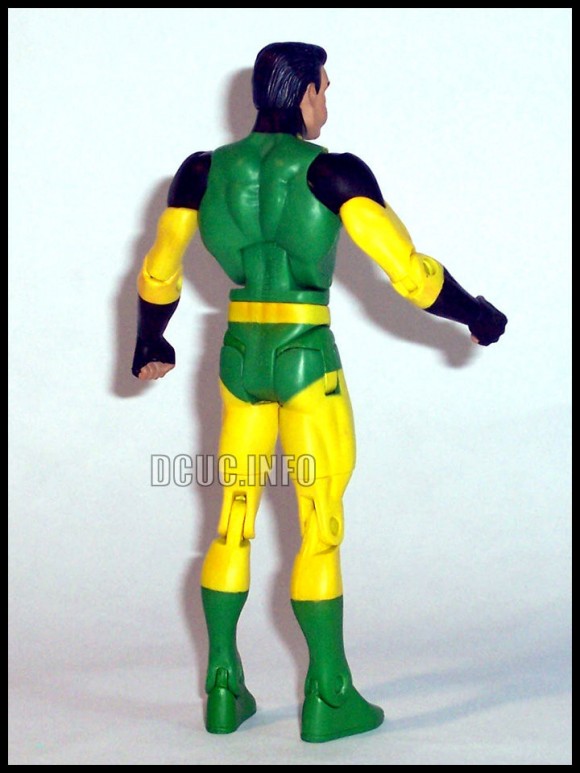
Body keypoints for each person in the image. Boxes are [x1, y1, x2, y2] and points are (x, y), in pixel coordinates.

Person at [131, 42, 507, 743]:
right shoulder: (333, 172)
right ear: (303, 92)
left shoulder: (202, 172)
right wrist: (475, 313)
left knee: (231, 520)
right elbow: (410, 272)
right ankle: (328, 693)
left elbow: (159, 270)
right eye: (324, 89)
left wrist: (150, 340)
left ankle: (223, 685)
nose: (326, 104)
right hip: (306, 358)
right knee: (319, 526)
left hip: (239, 359)